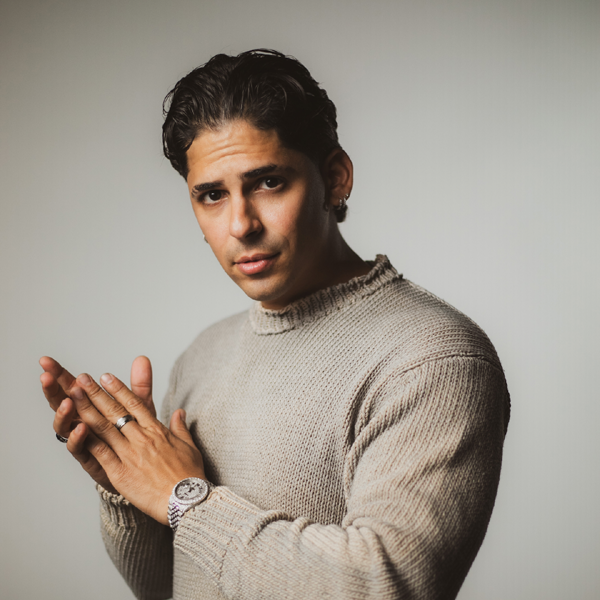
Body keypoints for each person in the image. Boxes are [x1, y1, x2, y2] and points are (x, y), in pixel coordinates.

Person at [40, 49, 510, 600]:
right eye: (212, 195)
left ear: (335, 178)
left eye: (267, 182)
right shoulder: (202, 355)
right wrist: (129, 484)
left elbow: (384, 585)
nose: (240, 224)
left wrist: (184, 497)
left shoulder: (433, 358)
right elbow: (168, 588)